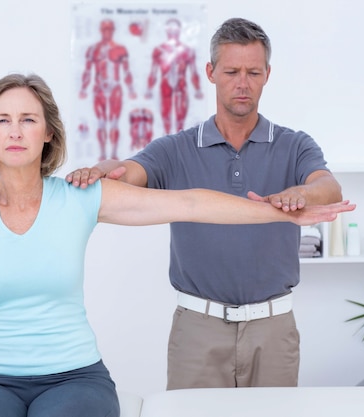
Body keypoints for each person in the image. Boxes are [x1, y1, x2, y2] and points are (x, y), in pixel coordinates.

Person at [0, 73, 353, 417]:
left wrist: (282, 211)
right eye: (3, 120)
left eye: (28, 119)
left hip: (73, 379)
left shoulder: (79, 197)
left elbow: (189, 203)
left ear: (48, 133)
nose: (15, 130)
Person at [66, 17, 344, 390]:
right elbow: (128, 173)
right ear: (210, 72)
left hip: (274, 329)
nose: (242, 83)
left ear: (267, 74)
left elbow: (328, 186)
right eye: (231, 71)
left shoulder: (294, 145)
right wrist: (102, 168)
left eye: (253, 72)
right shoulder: (176, 148)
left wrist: (302, 195)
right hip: (197, 329)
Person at [79, 18, 137, 161]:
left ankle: (114, 154)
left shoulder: (120, 50)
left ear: (113, 31)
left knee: (114, 123)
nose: (107, 32)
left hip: (115, 89)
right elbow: (87, 71)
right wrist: (83, 88)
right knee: (101, 123)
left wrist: (130, 89)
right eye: (104, 29)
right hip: (99, 89)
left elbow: (126, 71)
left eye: (109, 29)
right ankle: (103, 154)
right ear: (101, 30)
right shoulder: (93, 50)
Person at [144, 18, 203, 135]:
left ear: (179, 30)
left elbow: (193, 72)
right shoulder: (159, 50)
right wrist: (149, 89)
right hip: (165, 84)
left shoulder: (187, 50)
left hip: (181, 85)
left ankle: (177, 145)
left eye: (174, 29)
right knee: (166, 117)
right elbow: (153, 72)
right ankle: (167, 145)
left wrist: (197, 89)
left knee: (180, 119)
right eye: (170, 29)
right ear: (166, 30)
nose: (172, 31)